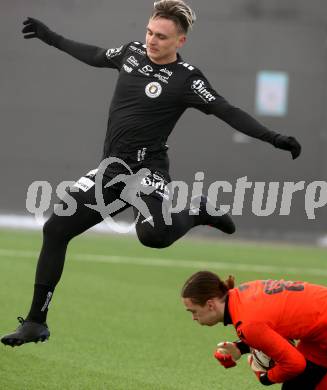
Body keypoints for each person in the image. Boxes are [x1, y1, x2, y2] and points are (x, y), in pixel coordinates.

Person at [1, 0, 301, 347]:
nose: (151, 40)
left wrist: (273, 137)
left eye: (161, 36)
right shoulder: (130, 54)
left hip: (147, 170)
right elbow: (95, 54)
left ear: (180, 41)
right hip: (112, 169)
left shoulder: (187, 79)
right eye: (149, 32)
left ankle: (198, 210)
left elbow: (227, 110)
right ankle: (36, 322)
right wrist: (49, 36)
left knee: (153, 236)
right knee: (56, 228)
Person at [181, 271, 327, 389]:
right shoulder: (242, 295)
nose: (193, 318)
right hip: (322, 331)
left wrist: (266, 377)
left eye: (193, 311)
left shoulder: (247, 323)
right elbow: (275, 328)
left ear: (210, 304)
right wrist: (239, 348)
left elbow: (295, 364)